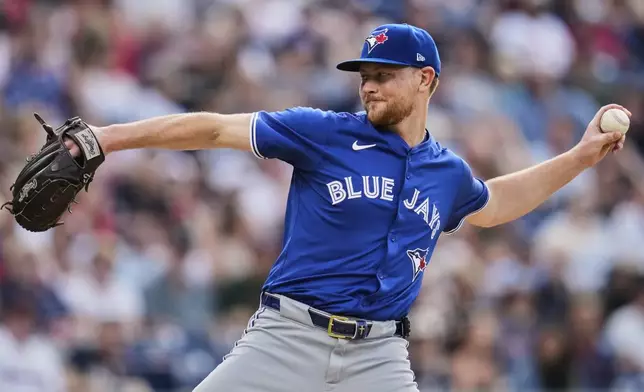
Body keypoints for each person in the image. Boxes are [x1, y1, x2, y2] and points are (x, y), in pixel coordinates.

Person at [65, 23, 629, 392]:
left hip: (378, 357)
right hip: (286, 339)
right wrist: (108, 138)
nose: (369, 87)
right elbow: (213, 129)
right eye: (364, 76)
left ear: (426, 79)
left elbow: (496, 203)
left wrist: (580, 158)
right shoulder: (325, 134)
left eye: (384, 76)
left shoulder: (445, 173)